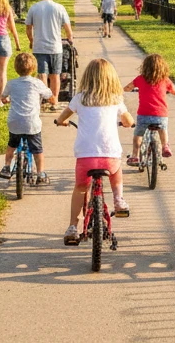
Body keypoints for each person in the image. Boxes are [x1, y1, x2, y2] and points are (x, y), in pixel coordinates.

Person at [55, 58, 134, 244]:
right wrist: (126, 123)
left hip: (86, 157)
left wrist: (61, 121)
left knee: (81, 189)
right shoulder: (115, 99)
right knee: (116, 173)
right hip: (110, 157)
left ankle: (73, 226)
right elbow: (129, 121)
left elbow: (62, 117)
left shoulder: (80, 98)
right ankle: (119, 199)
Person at [0, 52, 53, 184]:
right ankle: (40, 173)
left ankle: (6, 166)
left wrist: (6, 100)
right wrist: (51, 98)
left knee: (11, 145)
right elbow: (49, 94)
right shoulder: (37, 83)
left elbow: (3, 96)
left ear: (16, 68)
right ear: (34, 68)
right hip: (32, 123)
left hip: (15, 122)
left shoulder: (11, 84)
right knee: (37, 150)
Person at [25, 0, 73, 109]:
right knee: (55, 74)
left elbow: (28, 28)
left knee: (42, 74)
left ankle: (44, 98)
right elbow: (68, 28)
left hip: (39, 46)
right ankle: (55, 99)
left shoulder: (34, 7)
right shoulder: (59, 8)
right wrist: (70, 38)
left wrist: (31, 40)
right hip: (55, 47)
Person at [127, 53, 175, 164]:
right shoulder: (165, 80)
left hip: (144, 114)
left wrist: (125, 89)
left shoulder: (140, 79)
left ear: (145, 67)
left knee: (138, 134)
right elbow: (174, 91)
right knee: (163, 130)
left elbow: (128, 87)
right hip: (160, 114)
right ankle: (165, 146)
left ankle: (134, 155)